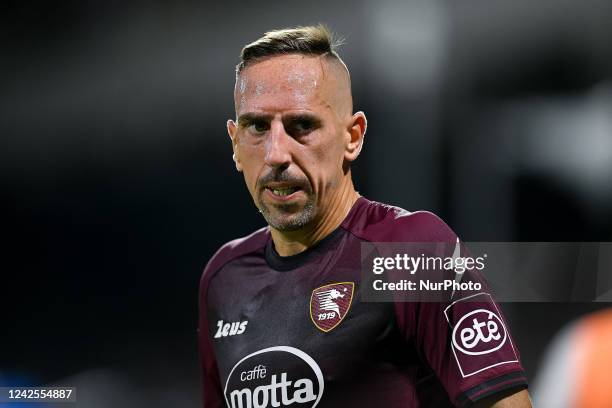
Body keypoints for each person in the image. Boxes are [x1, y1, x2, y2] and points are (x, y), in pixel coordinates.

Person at [198, 25, 531, 407]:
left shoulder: (411, 252)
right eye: (257, 127)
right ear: (236, 145)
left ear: (352, 136)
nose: (276, 154)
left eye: (302, 126)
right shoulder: (223, 278)